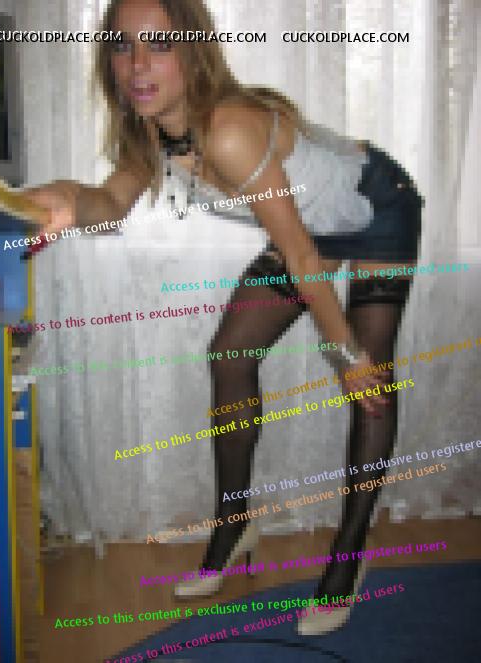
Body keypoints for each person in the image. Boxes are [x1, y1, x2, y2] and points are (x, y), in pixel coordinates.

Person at [24, 0, 422, 636]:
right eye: (123, 46)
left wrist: (346, 355)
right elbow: (111, 203)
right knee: (230, 355)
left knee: (368, 378)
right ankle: (235, 526)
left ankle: (349, 553)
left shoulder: (229, 129)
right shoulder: (154, 132)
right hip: (308, 231)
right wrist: (66, 200)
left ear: (194, 51)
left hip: (376, 208)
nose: (138, 63)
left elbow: (300, 256)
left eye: (159, 44)